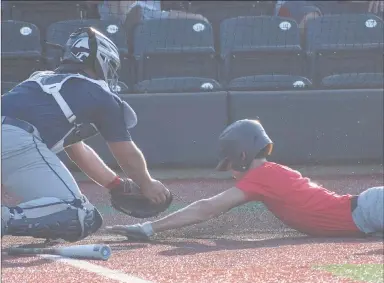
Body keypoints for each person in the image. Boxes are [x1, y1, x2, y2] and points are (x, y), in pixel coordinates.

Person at [1, 27, 170, 242]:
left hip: (11, 139)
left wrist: (115, 184)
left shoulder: (39, 80)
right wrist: (147, 183)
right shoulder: (99, 94)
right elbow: (125, 152)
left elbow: (78, 149)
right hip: (14, 139)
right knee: (79, 215)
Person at [106, 119, 384, 240]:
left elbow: (208, 207)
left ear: (242, 154)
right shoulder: (267, 176)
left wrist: (150, 228)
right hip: (367, 214)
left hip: (370, 210)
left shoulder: (263, 175)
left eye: (229, 163)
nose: (230, 171)